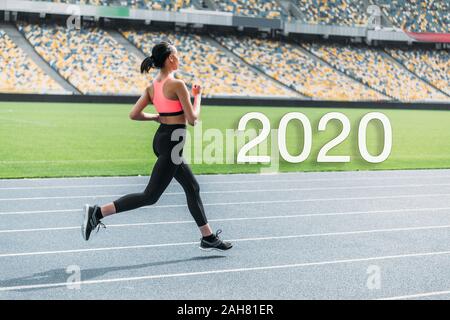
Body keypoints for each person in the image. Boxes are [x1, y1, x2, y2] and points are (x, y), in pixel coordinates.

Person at [81, 41, 232, 252]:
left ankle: (207, 237)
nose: (179, 59)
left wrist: (155, 117)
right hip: (173, 142)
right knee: (150, 196)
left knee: (192, 187)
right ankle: (97, 213)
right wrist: (197, 96)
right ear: (170, 58)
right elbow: (192, 119)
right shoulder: (177, 85)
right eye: (177, 55)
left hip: (161, 139)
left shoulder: (152, 87)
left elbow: (134, 114)